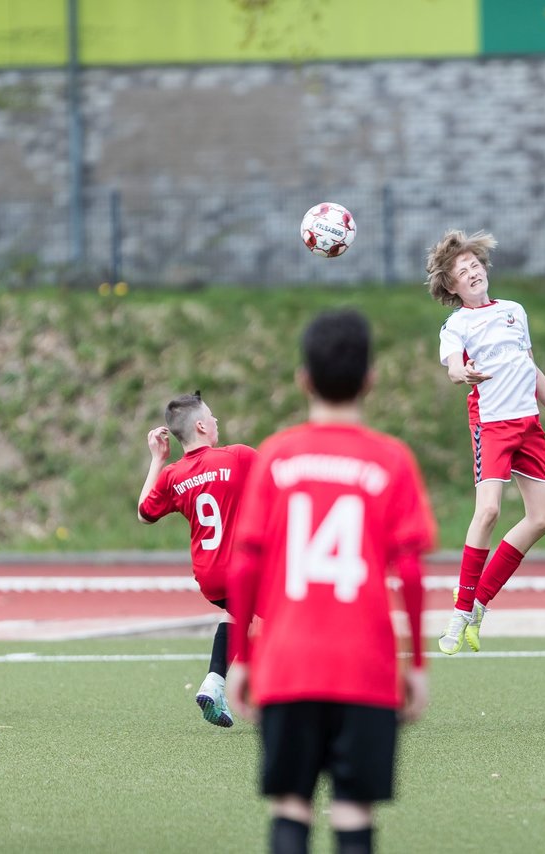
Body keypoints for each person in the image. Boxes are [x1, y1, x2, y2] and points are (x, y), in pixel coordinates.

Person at [225, 309, 435, 854]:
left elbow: (244, 563)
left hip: (288, 662)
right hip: (365, 665)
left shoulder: (276, 455)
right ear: (371, 379)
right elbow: (410, 570)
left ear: (303, 380)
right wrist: (415, 664)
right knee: (352, 810)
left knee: (291, 803)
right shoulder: (392, 460)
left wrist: (243, 658)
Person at [425, 229, 545, 655]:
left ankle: (480, 602)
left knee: (544, 517)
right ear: (451, 286)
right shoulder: (456, 324)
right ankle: (460, 611)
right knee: (490, 510)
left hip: (528, 425)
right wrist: (464, 374)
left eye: (475, 264)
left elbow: (530, 370)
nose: (473, 271)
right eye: (463, 270)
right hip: (492, 425)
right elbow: (455, 369)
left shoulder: (515, 311)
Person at [137, 391, 257, 728]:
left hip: (209, 576)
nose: (217, 421)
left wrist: (157, 459)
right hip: (242, 569)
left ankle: (215, 683)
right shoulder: (237, 457)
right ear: (202, 425)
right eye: (213, 416)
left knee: (242, 615)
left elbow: (144, 513)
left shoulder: (174, 476)